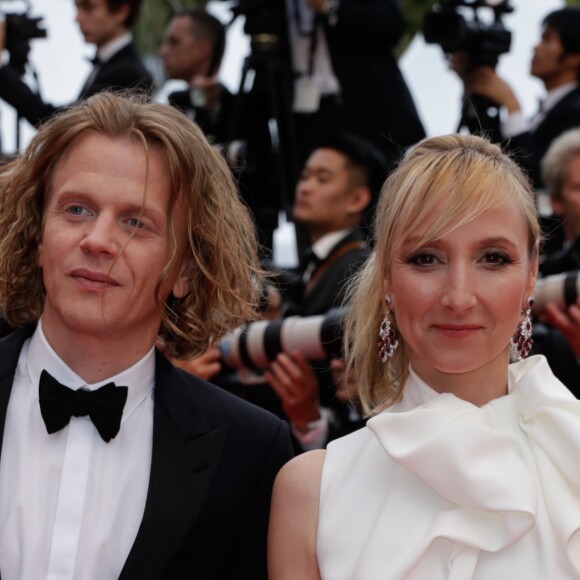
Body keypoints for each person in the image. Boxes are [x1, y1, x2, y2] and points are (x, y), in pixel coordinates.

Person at [0, 92, 293, 579]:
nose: (97, 241)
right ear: (36, 236)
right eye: (76, 210)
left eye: (135, 222)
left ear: (185, 269)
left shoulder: (251, 454)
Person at [268, 133, 580, 578]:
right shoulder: (311, 491)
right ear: (387, 279)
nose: (458, 296)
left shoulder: (573, 454)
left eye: (493, 257)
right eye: (426, 258)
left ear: (531, 273)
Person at [263, 133, 387, 450]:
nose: (305, 187)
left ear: (357, 199)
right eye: (304, 177)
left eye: (322, 178)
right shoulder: (308, 270)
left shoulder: (361, 272)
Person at [285, 0, 426, 172]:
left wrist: (329, 7)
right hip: (306, 117)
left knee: (384, 191)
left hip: (368, 112)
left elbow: (392, 23)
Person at [460, 7, 580, 190]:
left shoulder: (574, 112)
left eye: (547, 39)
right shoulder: (554, 107)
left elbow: (537, 177)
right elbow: (493, 153)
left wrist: (512, 107)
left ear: (574, 58)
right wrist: (471, 83)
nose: (536, 46)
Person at [0, 0, 154, 129]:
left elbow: (59, 124)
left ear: (121, 11)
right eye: (77, 7)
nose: (77, 17)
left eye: (89, 7)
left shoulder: (126, 72)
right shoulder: (113, 64)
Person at [159, 9, 234, 144]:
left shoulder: (236, 112)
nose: (163, 51)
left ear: (202, 49)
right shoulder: (178, 102)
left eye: (174, 42)